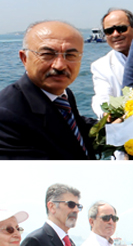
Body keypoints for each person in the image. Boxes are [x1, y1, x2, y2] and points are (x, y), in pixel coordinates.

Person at [0, 21, 96, 160]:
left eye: (70, 55)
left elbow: (70, 123)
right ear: (24, 58)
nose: (60, 65)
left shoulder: (62, 94)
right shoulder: (6, 116)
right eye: (47, 54)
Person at [91, 9, 133, 118]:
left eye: (121, 29)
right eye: (109, 31)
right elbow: (101, 96)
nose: (115, 34)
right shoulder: (101, 66)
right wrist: (106, 114)